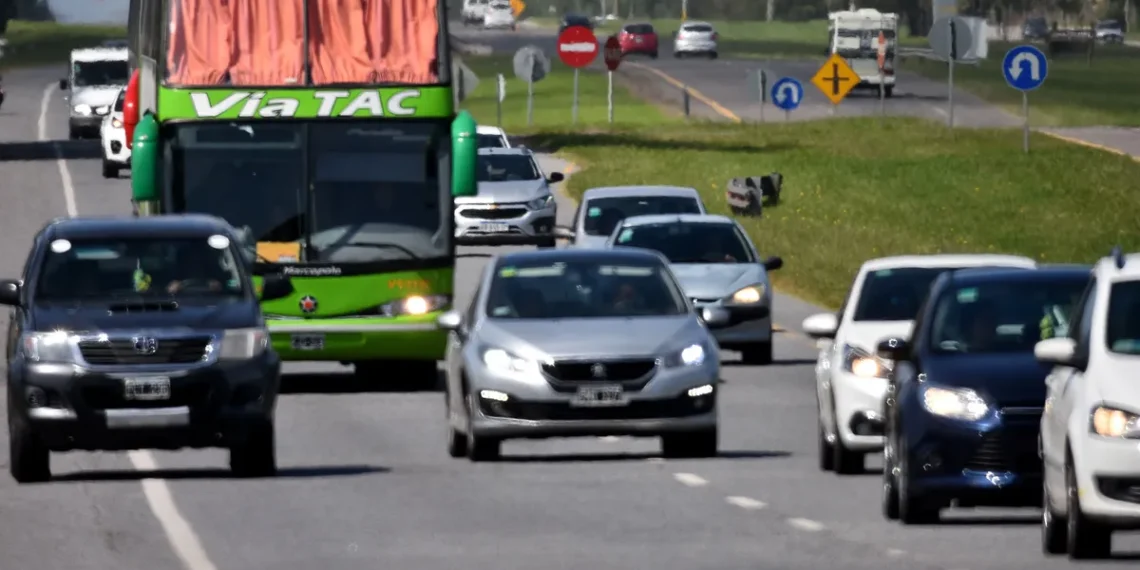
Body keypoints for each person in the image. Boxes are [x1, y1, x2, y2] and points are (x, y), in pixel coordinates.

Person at [165, 245, 230, 294]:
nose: (193, 265)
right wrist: (173, 289)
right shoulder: (172, 277)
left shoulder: (217, 277)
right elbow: (162, 293)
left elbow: (230, 288)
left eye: (198, 262)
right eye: (188, 261)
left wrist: (219, 287)